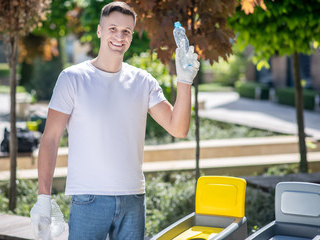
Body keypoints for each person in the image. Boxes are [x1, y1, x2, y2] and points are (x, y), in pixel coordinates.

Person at [30, 1, 199, 240]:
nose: (119, 36)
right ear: (99, 30)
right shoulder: (73, 78)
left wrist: (184, 81)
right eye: (112, 29)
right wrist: (43, 198)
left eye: (126, 31)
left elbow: (178, 128)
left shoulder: (143, 81)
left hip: (133, 199)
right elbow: (50, 138)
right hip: (89, 199)